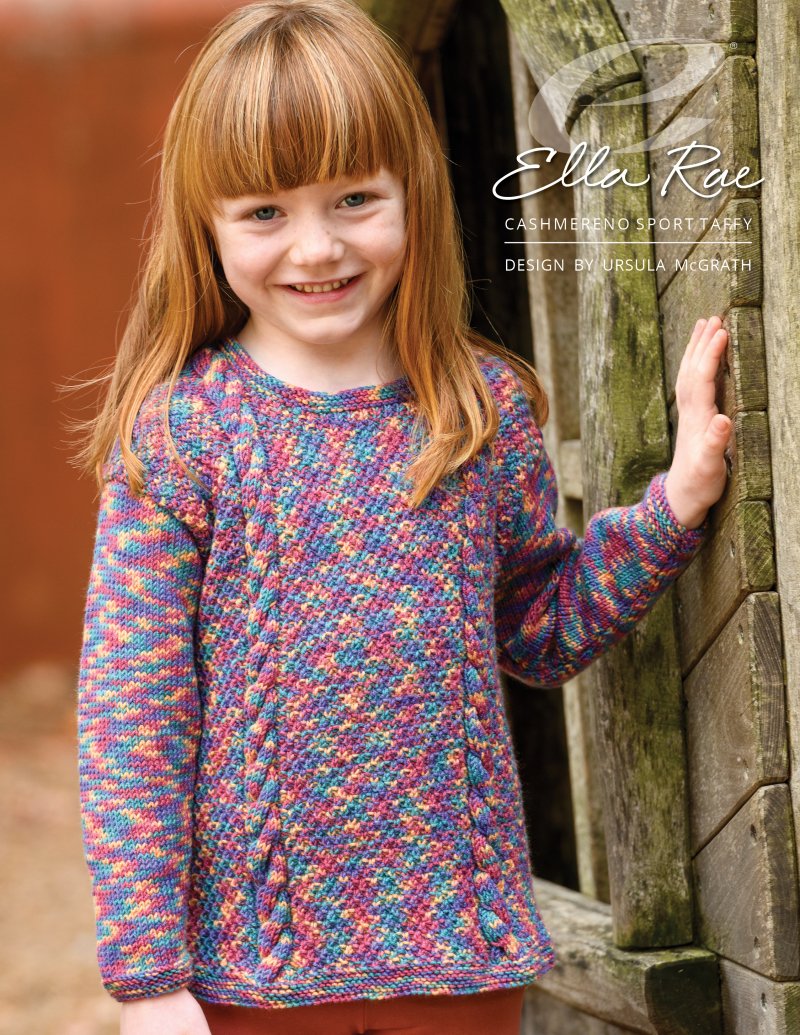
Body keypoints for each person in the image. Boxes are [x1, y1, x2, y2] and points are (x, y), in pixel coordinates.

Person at [73, 1, 731, 1033]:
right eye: (264, 212)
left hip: (458, 966)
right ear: (205, 222)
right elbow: (133, 714)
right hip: (248, 973)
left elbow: (539, 625)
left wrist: (675, 502)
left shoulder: (479, 412)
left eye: (353, 198)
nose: (316, 246)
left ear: (412, 189)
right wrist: (149, 976)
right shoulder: (181, 435)